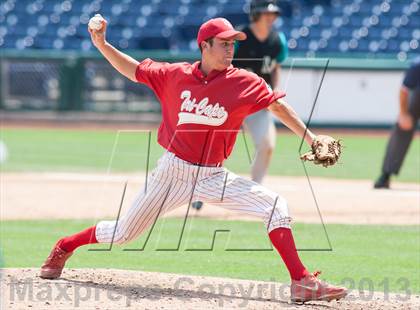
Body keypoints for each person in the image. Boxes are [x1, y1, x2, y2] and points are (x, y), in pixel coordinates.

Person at [39, 17, 347, 303]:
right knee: (123, 233)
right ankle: (66, 245)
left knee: (276, 206)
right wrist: (102, 45)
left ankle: (301, 281)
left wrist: (311, 138)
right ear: (204, 46)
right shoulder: (174, 75)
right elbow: (133, 70)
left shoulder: (244, 81)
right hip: (172, 172)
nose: (231, 48)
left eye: (233, 43)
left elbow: (277, 107)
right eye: (224, 43)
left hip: (213, 177)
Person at [192, 0, 288, 211]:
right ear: (256, 14)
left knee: (267, 144)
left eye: (273, 14)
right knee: (213, 147)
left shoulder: (277, 40)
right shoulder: (239, 38)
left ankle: (256, 190)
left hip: (255, 103)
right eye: (266, 14)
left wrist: (272, 91)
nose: (270, 18)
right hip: (229, 102)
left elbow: (276, 67)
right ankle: (200, 188)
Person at [374, 58, 420, 189]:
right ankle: (386, 174)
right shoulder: (418, 65)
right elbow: (404, 91)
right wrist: (403, 114)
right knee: (402, 128)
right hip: (418, 100)